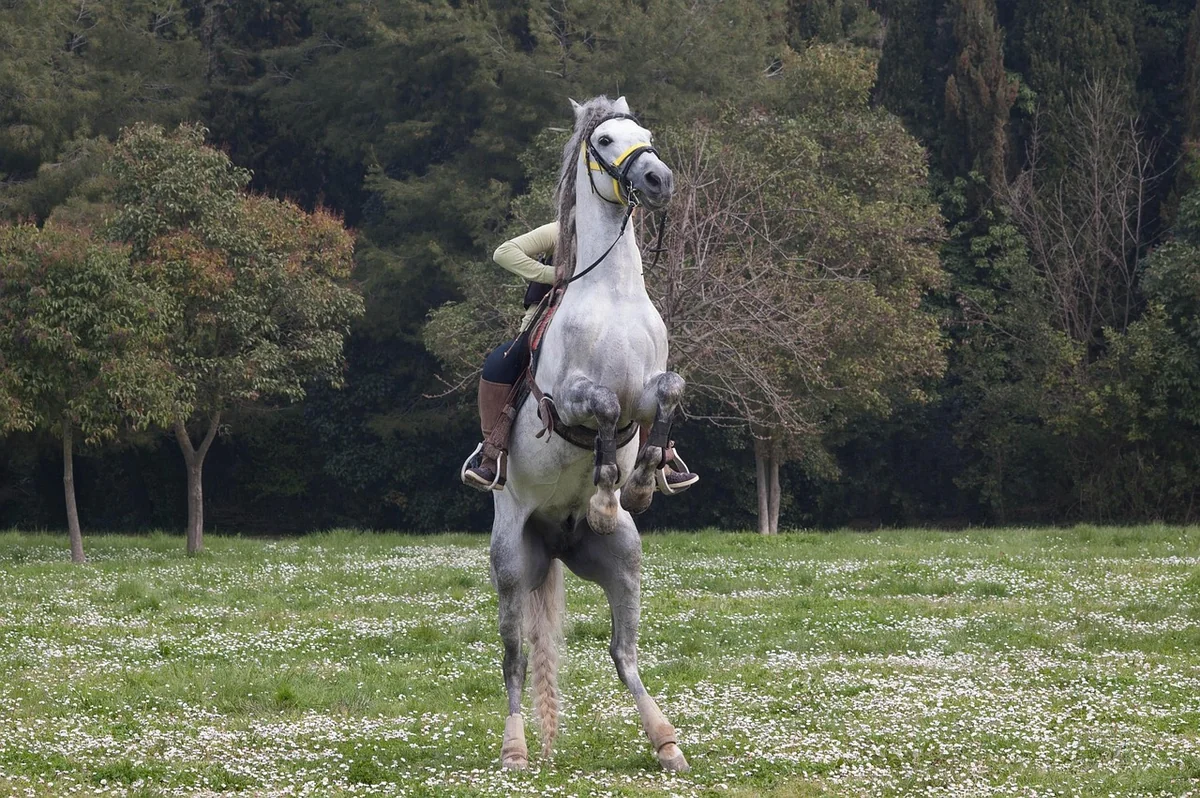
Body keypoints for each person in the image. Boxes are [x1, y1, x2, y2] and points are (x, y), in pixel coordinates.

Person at [461, 221, 699, 494]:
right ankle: (493, 455)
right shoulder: (561, 230)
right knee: (500, 361)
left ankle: (657, 461)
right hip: (551, 319)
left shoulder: (623, 238)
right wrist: (553, 274)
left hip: (609, 327)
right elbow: (504, 252)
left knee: (645, 373)